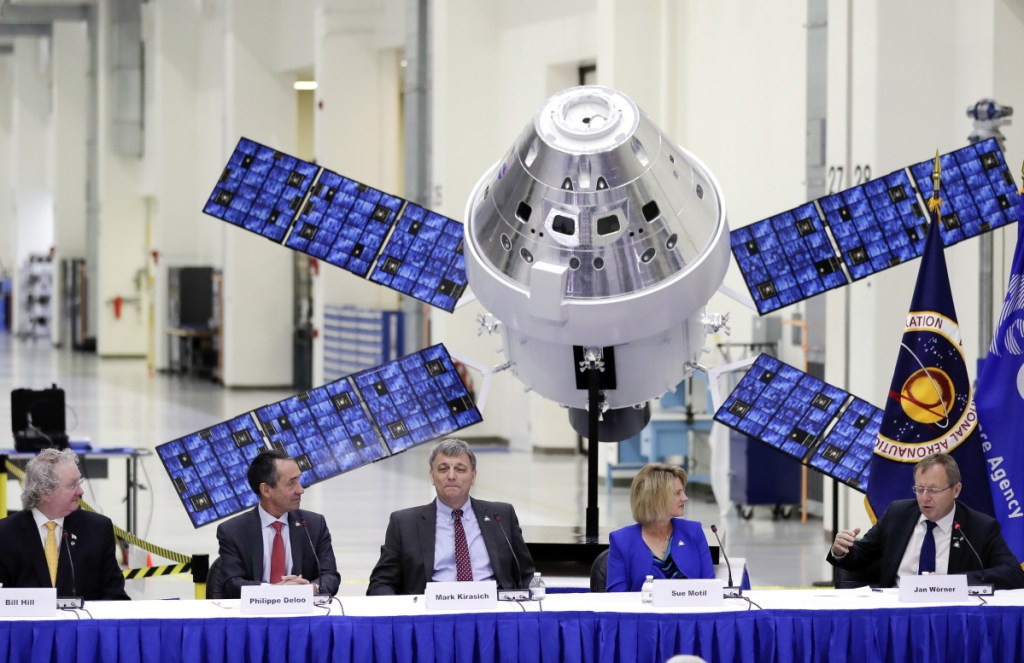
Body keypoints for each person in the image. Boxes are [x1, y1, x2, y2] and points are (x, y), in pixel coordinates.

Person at [827, 453, 1024, 590]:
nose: (924, 498)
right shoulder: (898, 513)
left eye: (933, 490)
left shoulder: (979, 527)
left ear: (956, 490)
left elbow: (1014, 574)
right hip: (895, 612)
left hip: (949, 615)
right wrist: (840, 550)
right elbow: (862, 556)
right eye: (919, 489)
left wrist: (953, 582)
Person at [367, 438, 535, 595]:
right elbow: (381, 583)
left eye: (460, 469)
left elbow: (527, 575)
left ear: (473, 476)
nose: (452, 476)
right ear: (432, 476)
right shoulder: (404, 523)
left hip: (492, 614)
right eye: (443, 469)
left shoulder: (501, 516)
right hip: (432, 617)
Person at [0, 448, 129, 600]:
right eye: (72, 485)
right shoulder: (5, 535)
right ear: (45, 492)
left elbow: (116, 598)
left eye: (79, 482)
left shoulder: (99, 530)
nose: (81, 491)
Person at [215, 449, 340, 598]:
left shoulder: (313, 525)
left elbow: (330, 576)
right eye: (292, 483)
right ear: (266, 490)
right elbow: (231, 584)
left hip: (302, 615)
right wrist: (273, 591)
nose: (301, 490)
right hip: (256, 615)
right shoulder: (232, 531)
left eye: (299, 480)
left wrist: (310, 589)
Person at [606, 463, 714, 592]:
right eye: (678, 493)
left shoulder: (693, 532)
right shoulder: (621, 541)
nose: (685, 498)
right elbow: (615, 600)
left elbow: (710, 589)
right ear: (656, 499)